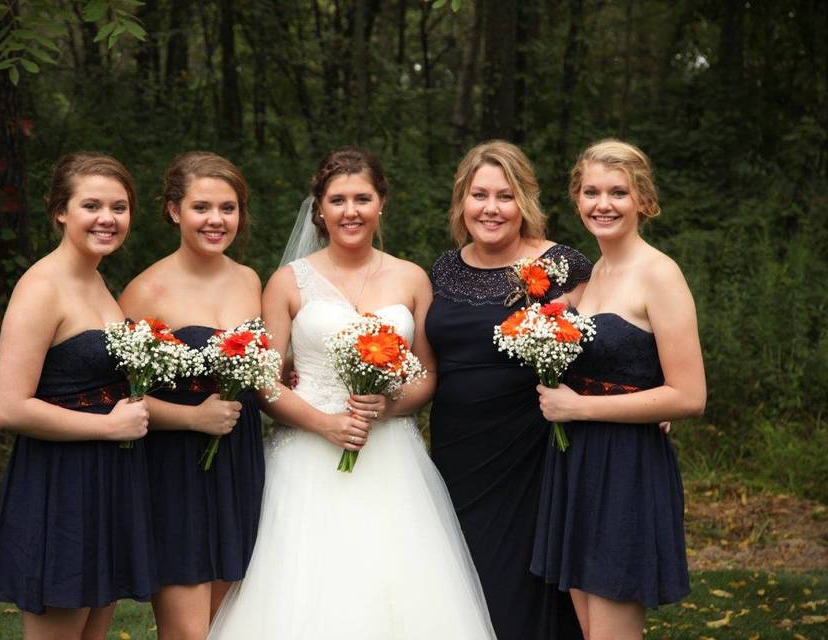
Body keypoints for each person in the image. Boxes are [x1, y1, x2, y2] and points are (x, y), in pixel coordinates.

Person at [208, 147, 496, 639]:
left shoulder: (411, 278)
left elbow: (427, 374)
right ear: (319, 208)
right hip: (307, 455)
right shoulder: (286, 283)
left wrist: (388, 404)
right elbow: (264, 379)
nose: (350, 211)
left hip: (391, 455)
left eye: (362, 198)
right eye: (337, 199)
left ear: (381, 202)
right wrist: (324, 423)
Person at [531, 139, 706, 640]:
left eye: (618, 192)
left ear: (643, 201)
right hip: (578, 464)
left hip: (626, 468)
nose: (602, 203)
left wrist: (580, 407)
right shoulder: (595, 274)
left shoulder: (660, 275)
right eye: (590, 191)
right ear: (577, 198)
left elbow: (689, 395)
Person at [425, 140, 589, 639]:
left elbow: (605, 338)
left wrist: (636, 394)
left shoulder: (565, 266)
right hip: (456, 450)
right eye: (479, 195)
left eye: (505, 196)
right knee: (460, 582)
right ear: (462, 201)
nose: (491, 208)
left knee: (520, 583)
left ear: (525, 202)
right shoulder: (443, 269)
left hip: (533, 451)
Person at [0, 152, 156, 640]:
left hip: (107, 478)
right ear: (61, 211)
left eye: (119, 207)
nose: (107, 218)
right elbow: (9, 407)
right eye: (92, 205)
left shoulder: (97, 279)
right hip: (59, 483)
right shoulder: (41, 287)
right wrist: (108, 426)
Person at [118, 152, 264, 640]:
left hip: (238, 459)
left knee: (231, 623)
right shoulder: (145, 292)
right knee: (187, 632)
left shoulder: (249, 280)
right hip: (177, 468)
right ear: (175, 210)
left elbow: (262, 371)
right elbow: (117, 401)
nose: (216, 220)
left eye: (228, 208)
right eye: (203, 207)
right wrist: (192, 419)